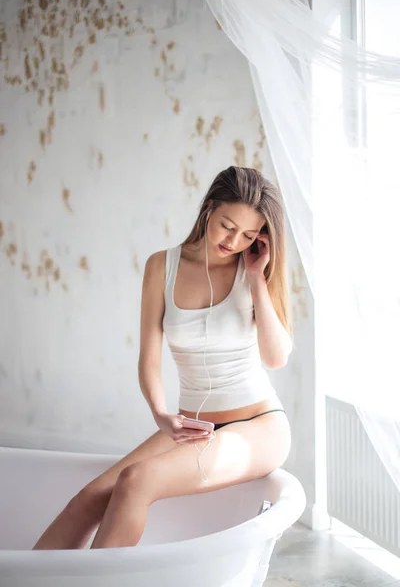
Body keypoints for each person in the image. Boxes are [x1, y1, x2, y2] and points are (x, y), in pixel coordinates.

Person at [33, 165, 293, 550]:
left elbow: (275, 357)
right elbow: (149, 360)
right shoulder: (163, 266)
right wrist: (161, 414)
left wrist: (255, 278)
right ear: (208, 208)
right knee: (85, 501)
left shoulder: (253, 270)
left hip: (257, 427)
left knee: (138, 481)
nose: (234, 240)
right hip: (192, 426)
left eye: (248, 234)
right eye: (227, 225)